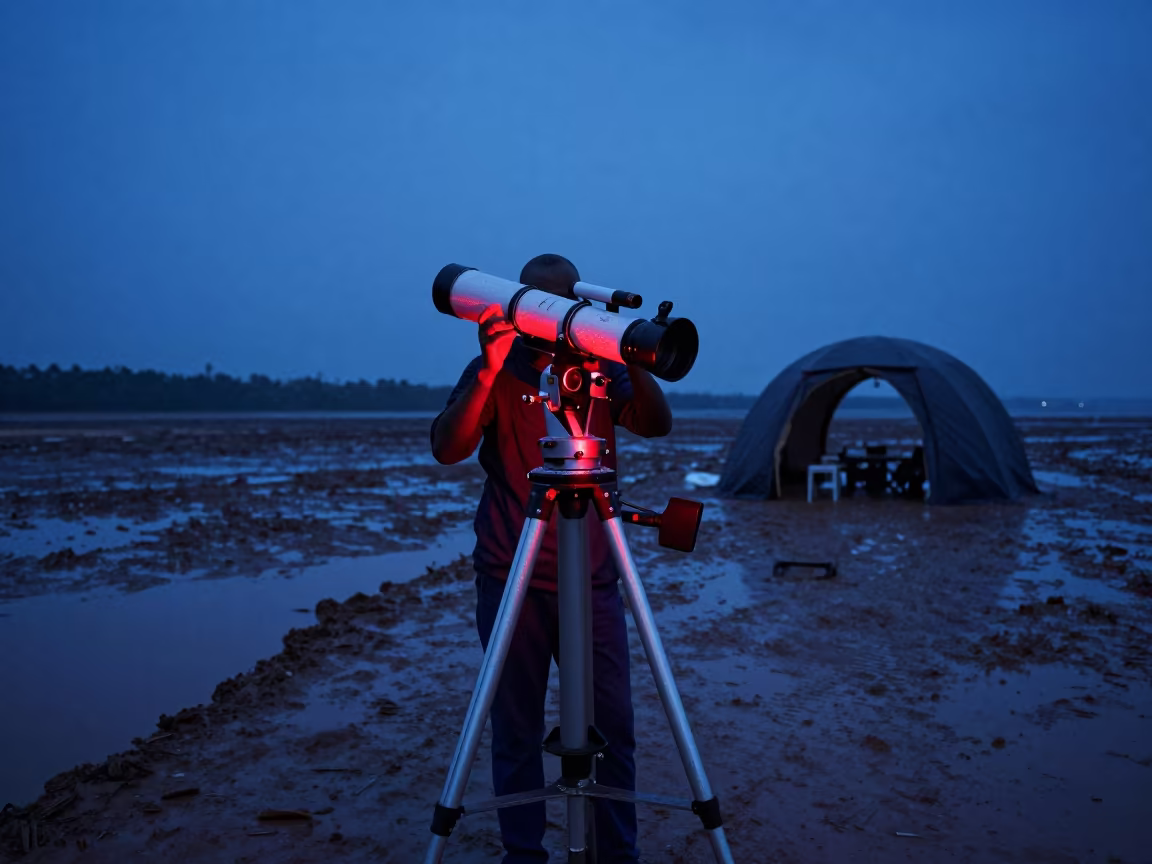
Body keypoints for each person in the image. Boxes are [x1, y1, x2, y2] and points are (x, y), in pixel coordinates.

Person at [430, 254, 672, 863]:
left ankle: (617, 854)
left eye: (565, 302)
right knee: (514, 728)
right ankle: (524, 854)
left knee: (613, 728)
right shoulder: (499, 365)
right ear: (519, 301)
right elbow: (448, 446)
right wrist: (489, 363)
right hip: (510, 574)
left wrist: (634, 355)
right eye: (541, 301)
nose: (553, 315)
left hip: (591, 581)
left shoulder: (600, 364)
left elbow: (654, 422)